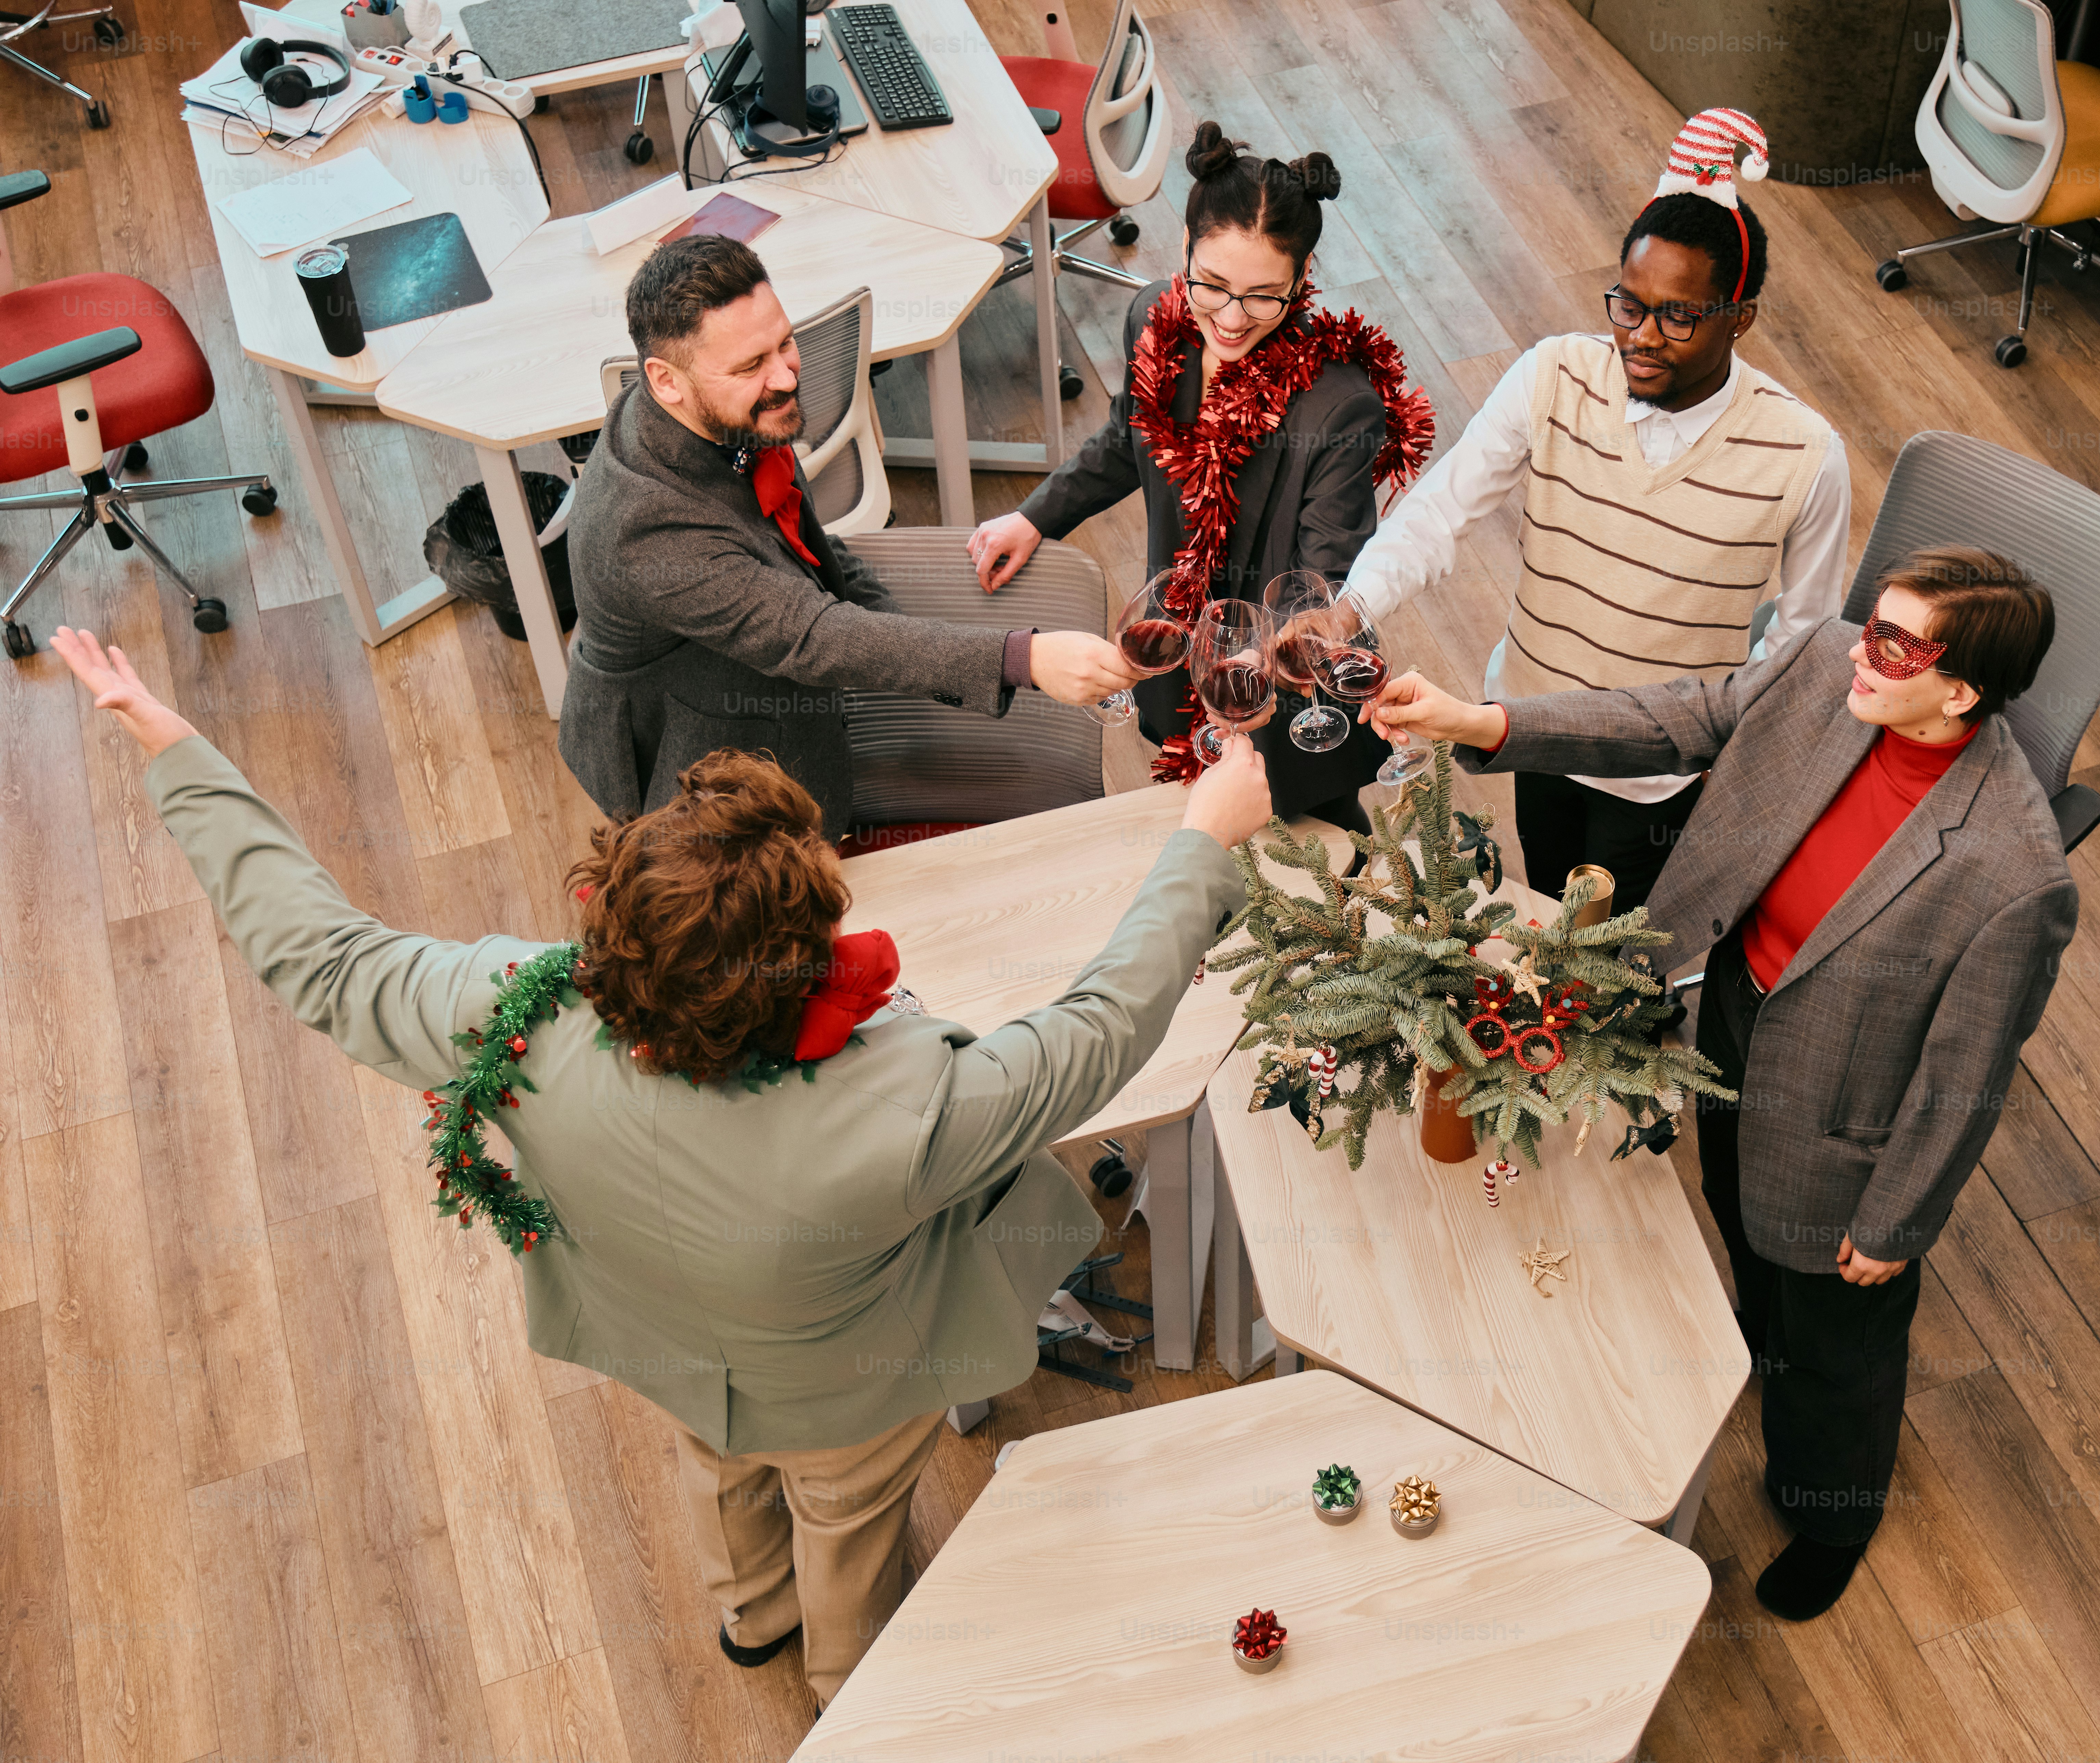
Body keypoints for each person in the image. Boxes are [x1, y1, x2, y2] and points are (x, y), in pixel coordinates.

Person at [51, 622, 1270, 1708]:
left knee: (719, 1453)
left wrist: (173, 745)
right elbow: (1100, 1029)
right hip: (846, 1390)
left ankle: (752, 1619)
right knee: (846, 1523)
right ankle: (853, 1685)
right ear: (803, 953)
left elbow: (321, 955)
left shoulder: (516, 1018)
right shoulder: (909, 1106)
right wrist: (1199, 846)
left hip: (662, 1342)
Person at [1365, 548, 2077, 1623]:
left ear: (1962, 691)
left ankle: (1832, 1509)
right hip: (1734, 1004)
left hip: (1845, 1106)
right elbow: (1673, 720)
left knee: (1838, 1334)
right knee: (1745, 1226)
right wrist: (1485, 725)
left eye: (1895, 642)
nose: (1860, 650)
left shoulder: (2015, 873)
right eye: (1868, 621)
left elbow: (1962, 1079)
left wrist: (1897, 1223)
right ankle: (1759, 1326)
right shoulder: (1829, 666)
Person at [1334, 109, 1851, 915]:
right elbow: (1443, 505)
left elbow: (1804, 639)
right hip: (1533, 724)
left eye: (1678, 315)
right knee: (1547, 907)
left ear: (1740, 316)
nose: (1640, 337)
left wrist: (1731, 749)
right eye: (1628, 305)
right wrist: (1351, 606)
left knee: (1618, 963)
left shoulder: (1806, 453)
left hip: (1663, 772)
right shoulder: (1555, 375)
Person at [557, 235, 1139, 840]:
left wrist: (895, 630)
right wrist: (1026, 658)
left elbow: (798, 542)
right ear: (664, 380)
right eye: (752, 365)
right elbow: (809, 636)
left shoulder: (721, 408)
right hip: (693, 754)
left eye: (785, 342)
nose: (786, 375)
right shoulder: (642, 530)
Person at [967, 121, 1435, 819]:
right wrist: (1035, 516)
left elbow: (1324, 574)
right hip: (1179, 650)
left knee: (1313, 831)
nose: (1233, 318)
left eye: (1263, 295)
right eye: (1211, 284)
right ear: (1184, 248)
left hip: (1284, 688)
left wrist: (1261, 660)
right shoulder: (1150, 319)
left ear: (1302, 280)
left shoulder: (1342, 409)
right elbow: (1129, 441)